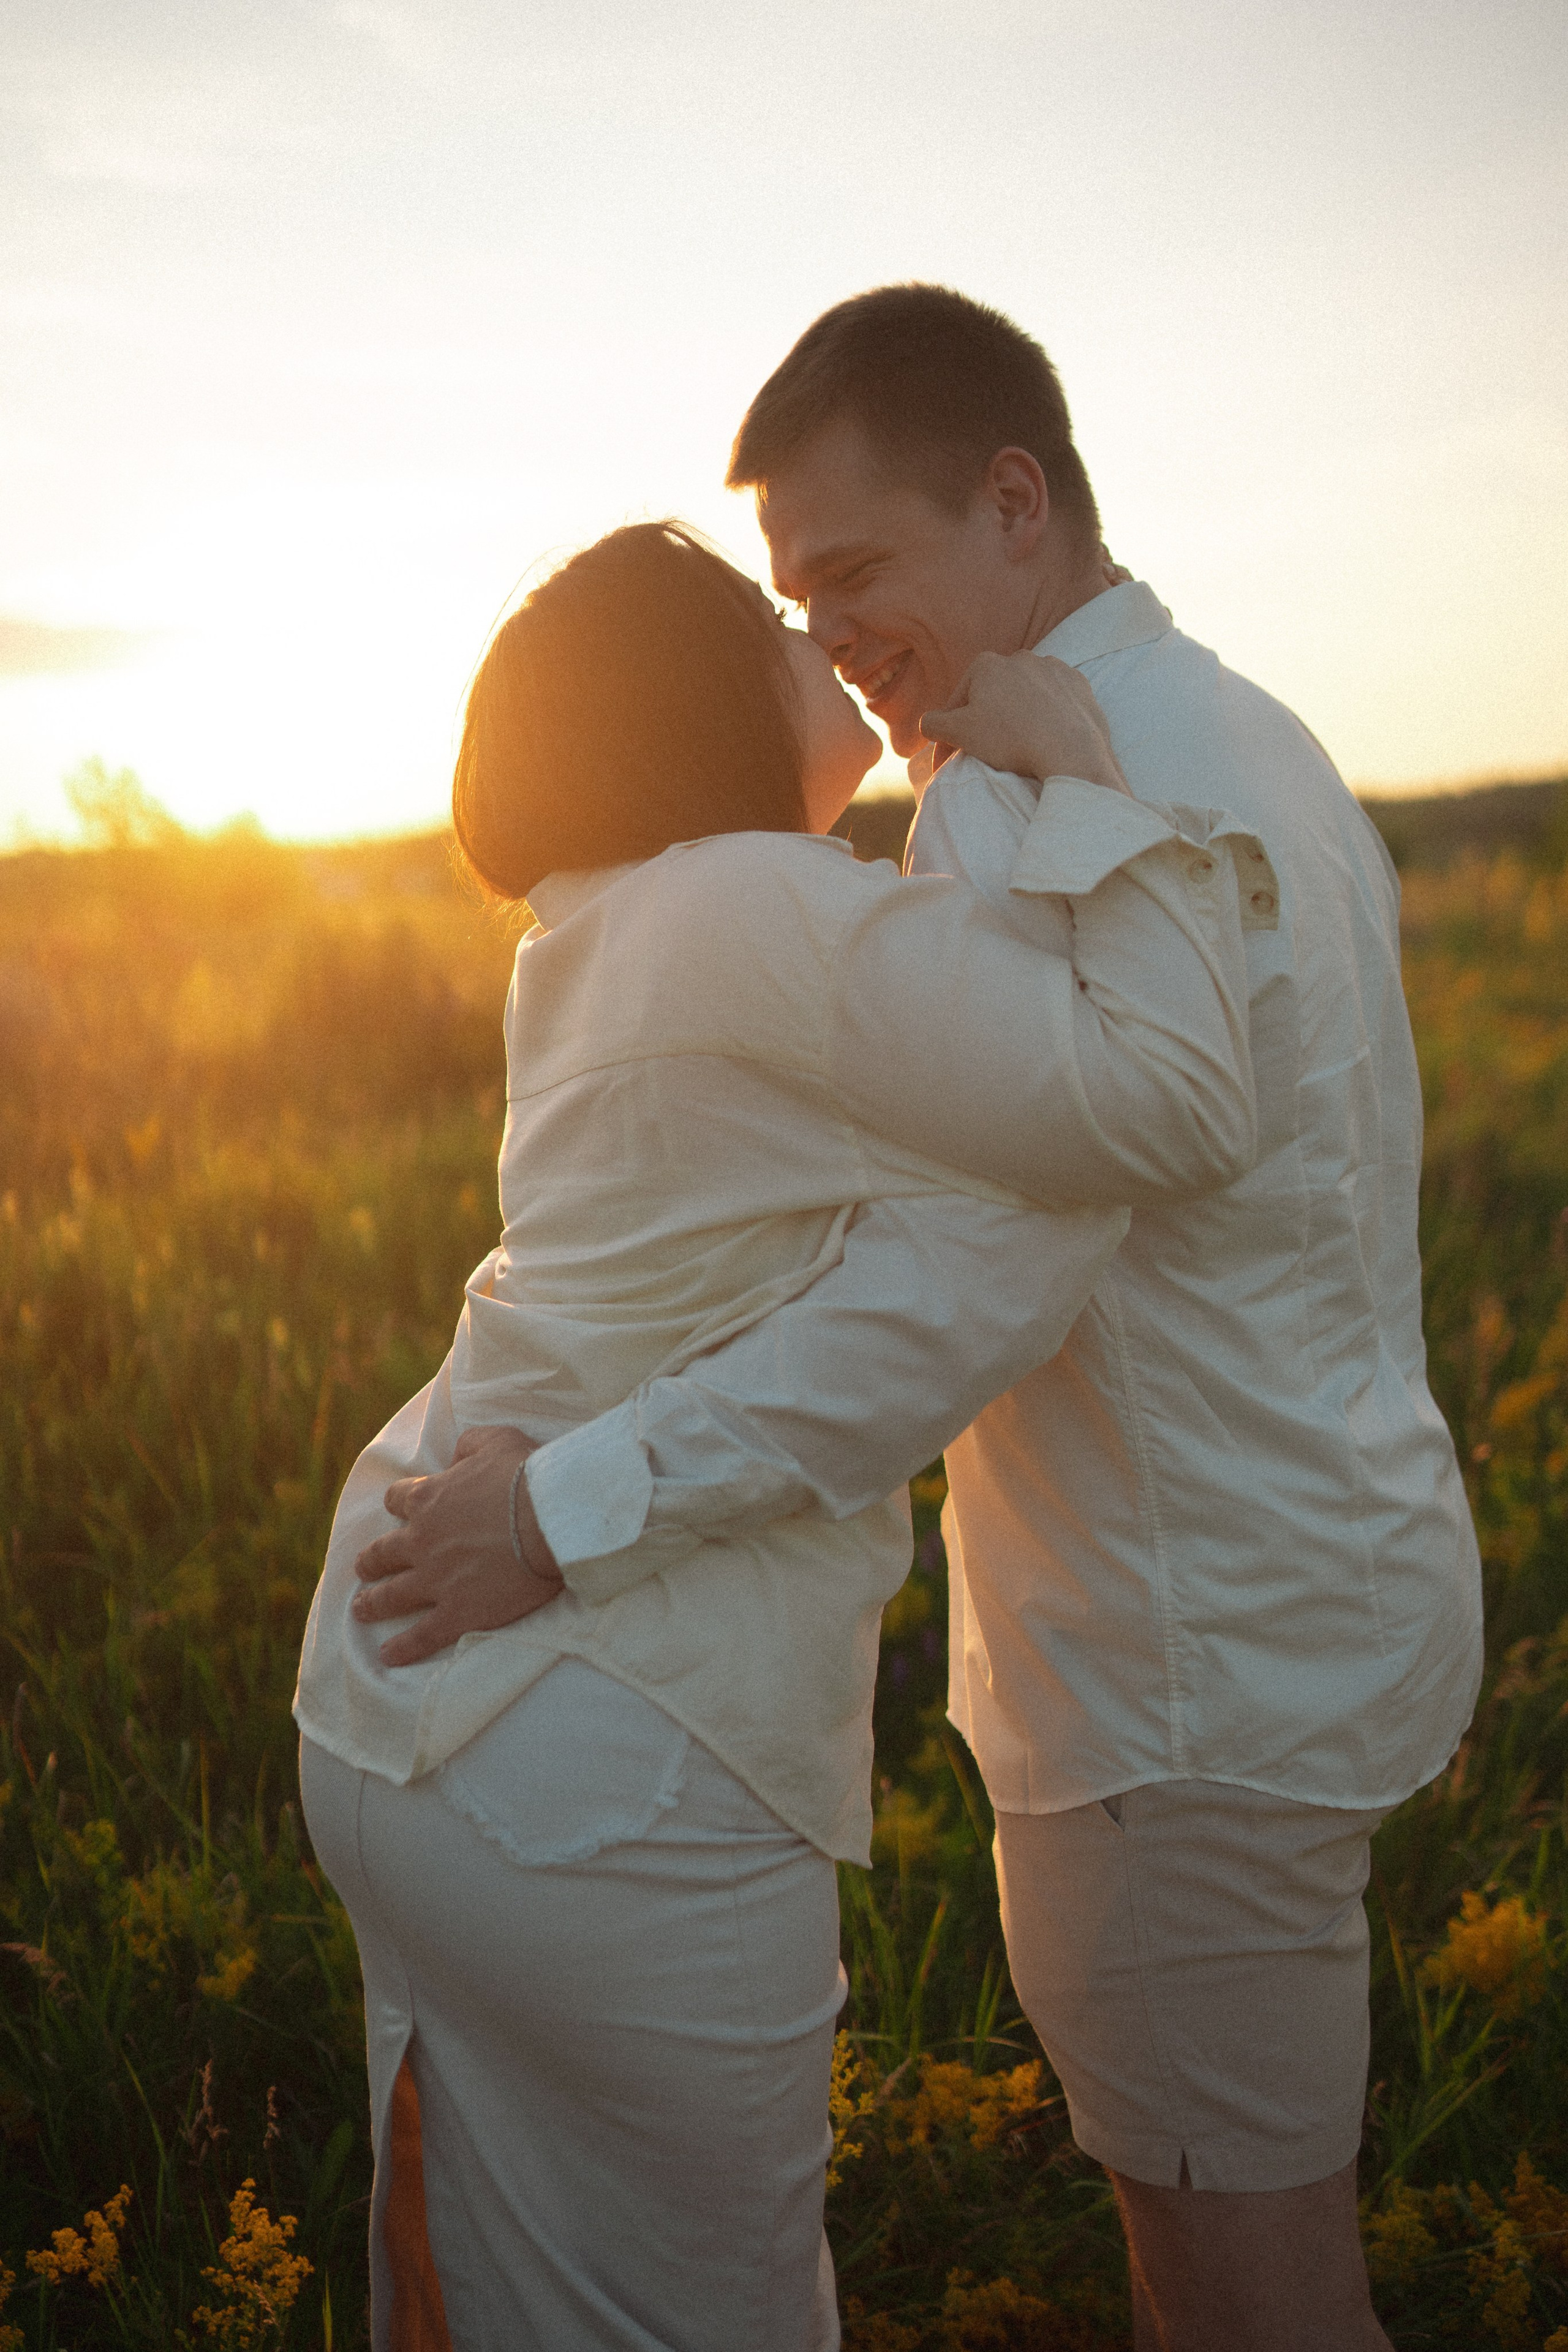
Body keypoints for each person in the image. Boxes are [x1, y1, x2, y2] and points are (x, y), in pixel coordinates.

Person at [361, 289, 1483, 2352]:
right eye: (797, 594)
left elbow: (959, 1283)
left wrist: (572, 1497)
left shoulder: (1059, 797)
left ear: (1014, 501)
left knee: (1245, 2305)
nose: (836, 632)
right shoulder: (1245, 731)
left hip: (1177, 1672)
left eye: (857, 574)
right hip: (1280, 1609)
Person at [295, 516, 1268, 2351]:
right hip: (599, 1735)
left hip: (404, 1699)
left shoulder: (599, 919)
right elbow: (1158, 1117)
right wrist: (1090, 790)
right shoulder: (758, 903)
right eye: (766, 618)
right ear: (697, 698)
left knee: (493, 2302)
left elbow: (939, 1234)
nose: (817, 633)